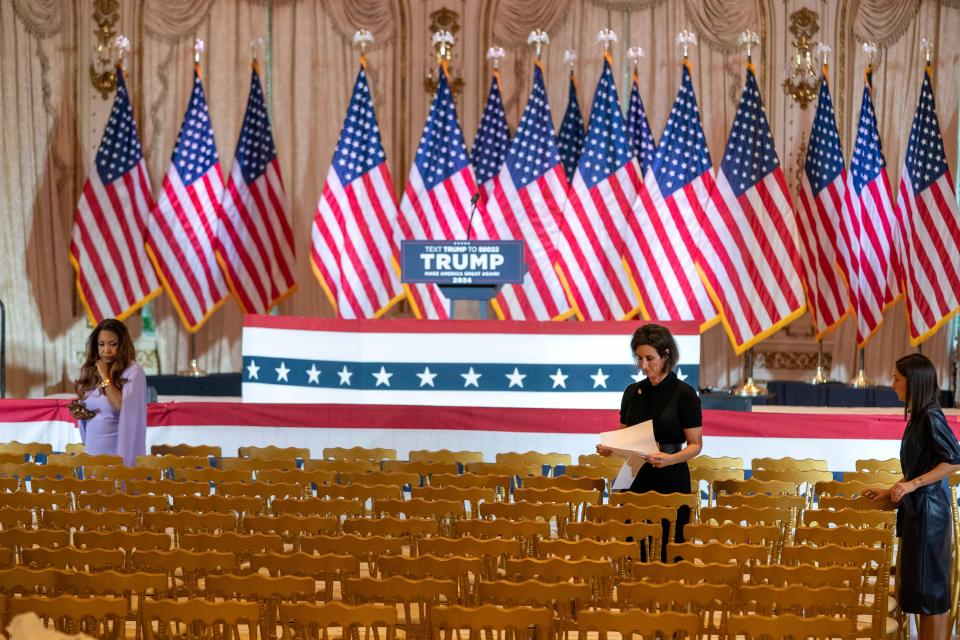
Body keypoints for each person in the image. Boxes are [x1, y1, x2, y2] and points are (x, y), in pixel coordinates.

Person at [864, 354, 960, 640]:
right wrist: (893, 488)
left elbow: (954, 460)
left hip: (930, 515)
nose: (892, 384)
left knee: (932, 596)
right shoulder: (921, 414)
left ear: (913, 382)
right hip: (922, 511)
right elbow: (923, 464)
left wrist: (913, 485)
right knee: (926, 595)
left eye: (897, 379)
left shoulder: (930, 415)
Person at [597, 323, 703, 557]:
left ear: (666, 355)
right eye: (639, 358)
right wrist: (610, 447)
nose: (643, 365)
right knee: (634, 547)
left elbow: (695, 445)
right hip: (635, 473)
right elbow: (625, 435)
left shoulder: (684, 394)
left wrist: (671, 459)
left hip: (671, 473)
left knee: (669, 546)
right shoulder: (632, 392)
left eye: (649, 358)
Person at [68, 318, 148, 467]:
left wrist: (106, 377)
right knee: (93, 489)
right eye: (101, 344)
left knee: (116, 489)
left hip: (118, 453)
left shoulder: (133, 371)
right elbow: (97, 409)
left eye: (113, 344)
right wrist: (83, 413)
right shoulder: (93, 369)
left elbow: (122, 407)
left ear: (122, 345)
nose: (106, 350)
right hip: (92, 452)